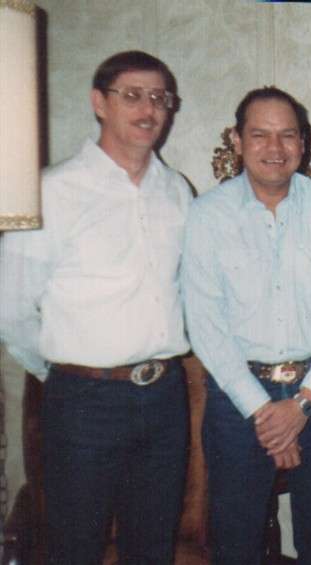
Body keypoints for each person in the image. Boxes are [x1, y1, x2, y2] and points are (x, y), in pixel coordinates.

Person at [0, 51, 191, 564]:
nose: (149, 110)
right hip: (83, 404)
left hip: (165, 397)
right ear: (99, 103)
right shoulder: (51, 190)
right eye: (132, 96)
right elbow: (11, 309)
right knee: (76, 549)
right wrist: (67, 374)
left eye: (160, 98)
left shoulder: (178, 192)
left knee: (152, 550)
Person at [181, 86, 311, 565]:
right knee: (235, 544)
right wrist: (264, 412)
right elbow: (204, 323)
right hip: (237, 400)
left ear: (303, 143)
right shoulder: (207, 215)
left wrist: (304, 403)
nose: (275, 147)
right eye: (260, 134)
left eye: (288, 135)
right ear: (237, 140)